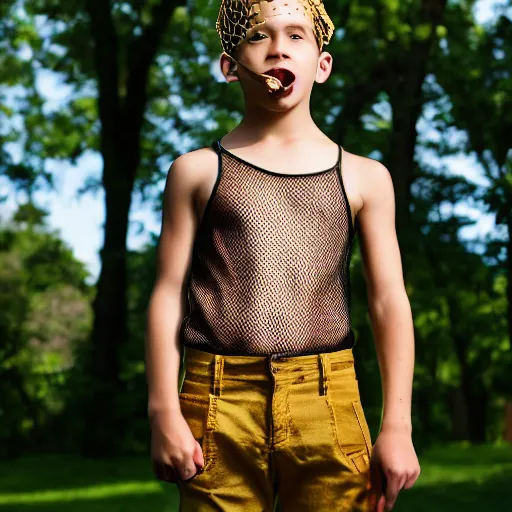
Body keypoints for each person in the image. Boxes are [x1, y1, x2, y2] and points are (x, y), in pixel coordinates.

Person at [145, 0, 421, 510]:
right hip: (216, 402)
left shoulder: (365, 177)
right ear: (231, 65)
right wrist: (163, 410)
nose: (277, 48)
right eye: (257, 36)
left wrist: (398, 427)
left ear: (322, 64)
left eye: (296, 36)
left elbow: (389, 303)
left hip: (330, 401)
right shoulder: (196, 172)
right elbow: (167, 294)